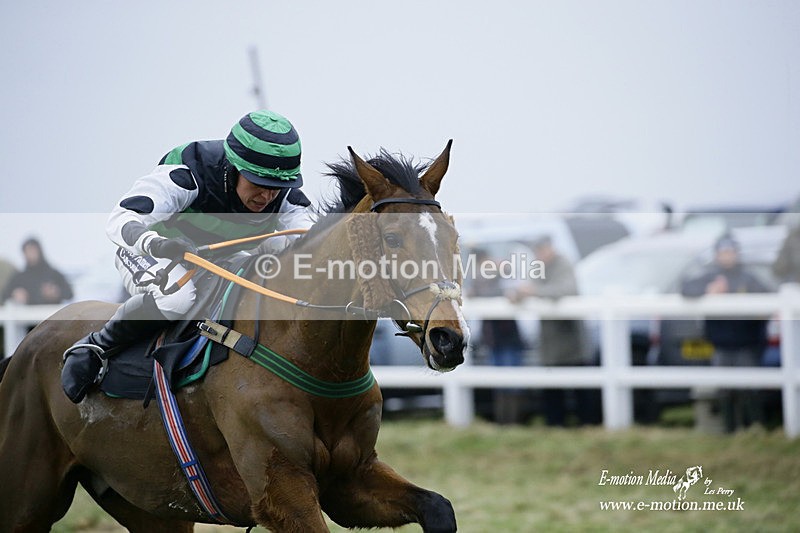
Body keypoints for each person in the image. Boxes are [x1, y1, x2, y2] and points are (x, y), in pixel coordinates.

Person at [62, 110, 315, 403]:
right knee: (177, 298)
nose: (267, 197)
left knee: (272, 263)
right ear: (234, 167)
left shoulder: (285, 196)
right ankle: (97, 346)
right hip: (149, 252)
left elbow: (313, 241)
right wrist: (158, 245)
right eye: (258, 184)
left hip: (213, 262)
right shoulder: (188, 173)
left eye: (276, 188)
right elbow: (122, 218)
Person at [681, 234, 769, 432]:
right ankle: (729, 431)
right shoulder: (710, 277)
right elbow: (686, 288)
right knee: (725, 390)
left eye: (730, 252)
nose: (727, 256)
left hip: (747, 343)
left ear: (737, 254)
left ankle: (755, 429)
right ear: (717, 255)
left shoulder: (748, 278)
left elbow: (767, 299)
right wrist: (708, 290)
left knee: (750, 388)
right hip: (721, 344)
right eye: (723, 253)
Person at [507, 236, 591, 426]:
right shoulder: (540, 267)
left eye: (540, 251)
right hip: (550, 341)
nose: (538, 255)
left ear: (549, 249)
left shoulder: (563, 264)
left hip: (569, 337)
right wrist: (519, 295)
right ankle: (556, 424)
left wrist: (533, 292)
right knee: (552, 388)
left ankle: (585, 424)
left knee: (580, 385)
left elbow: (565, 290)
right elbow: (531, 287)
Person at [468, 249, 526, 425]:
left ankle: (512, 421)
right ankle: (503, 421)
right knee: (499, 383)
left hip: (507, 337)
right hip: (493, 339)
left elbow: (510, 289)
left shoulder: (501, 275)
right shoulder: (480, 280)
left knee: (511, 382)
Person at [1, 238, 73, 305]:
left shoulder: (53, 275)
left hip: (51, 313)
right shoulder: (19, 278)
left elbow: (69, 294)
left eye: (33, 250)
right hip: (27, 314)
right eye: (28, 251)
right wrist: (14, 295)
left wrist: (56, 293)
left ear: (39, 251)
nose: (31, 254)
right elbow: (4, 296)